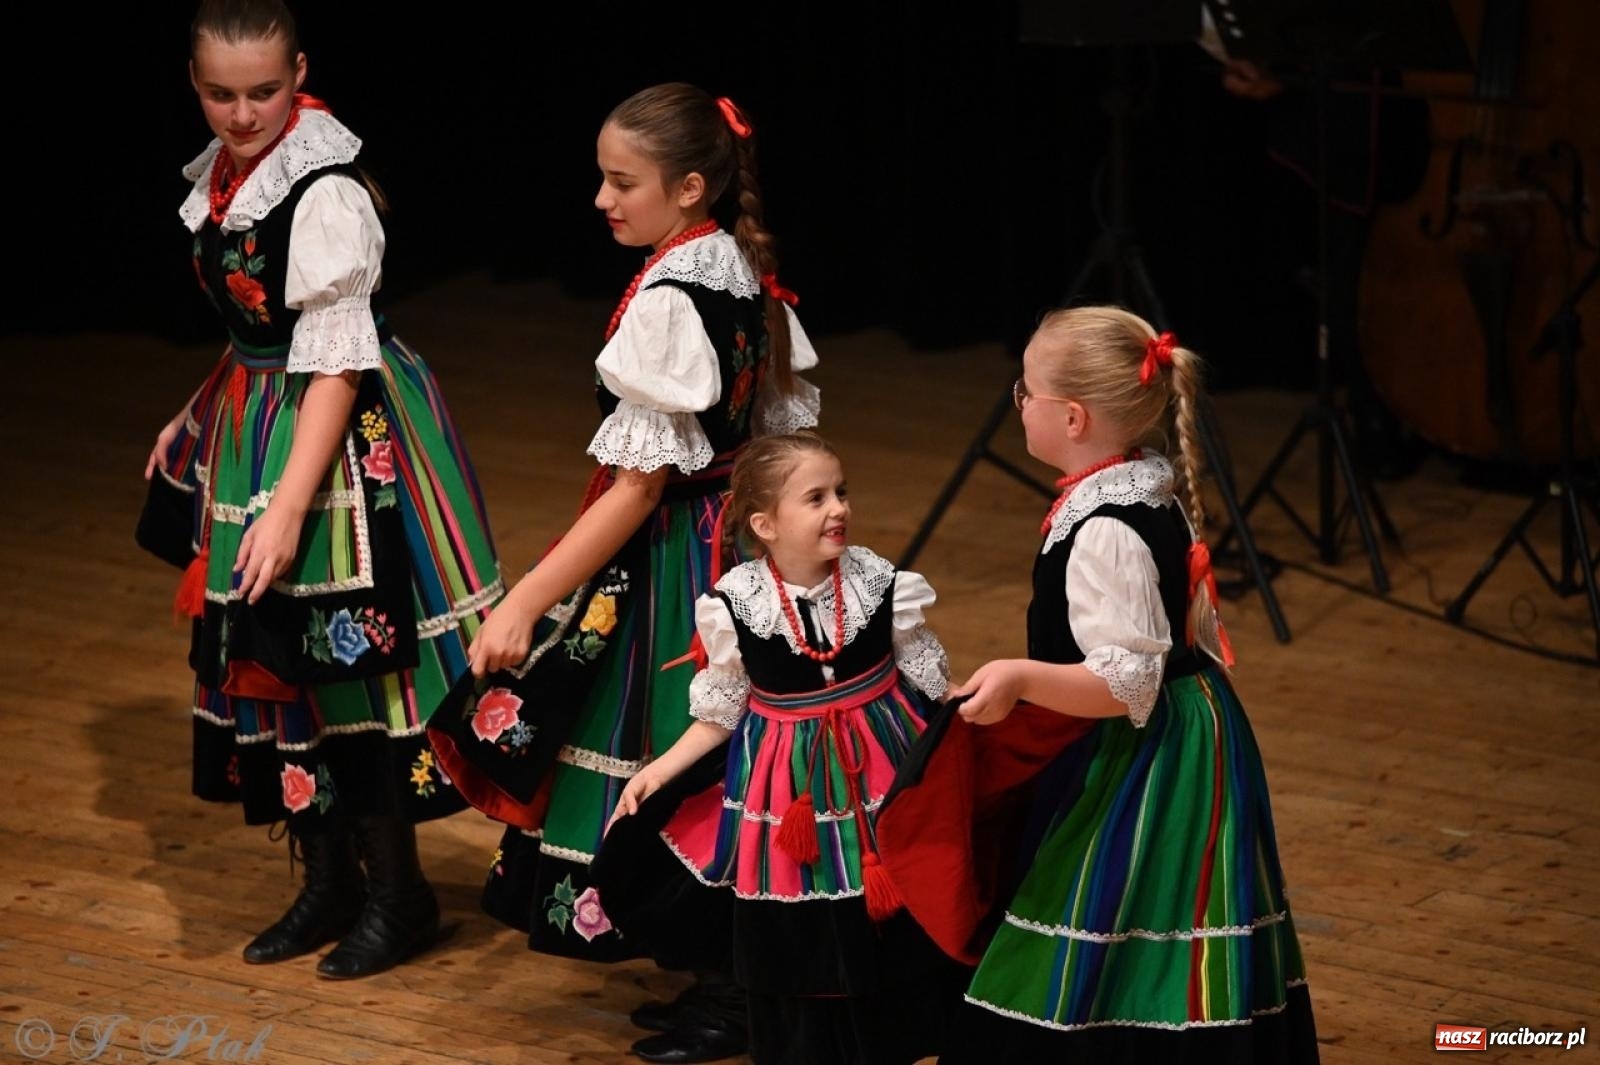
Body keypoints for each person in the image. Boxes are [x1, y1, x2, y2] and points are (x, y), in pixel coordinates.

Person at [425, 83, 818, 1061]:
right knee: (703, 741)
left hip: (686, 549)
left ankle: (736, 985)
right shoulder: (729, 263)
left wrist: (523, 599)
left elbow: (638, 492)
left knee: (692, 743)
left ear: (688, 188)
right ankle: (713, 965)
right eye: (601, 177)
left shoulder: (677, 296)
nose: (601, 199)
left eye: (621, 182)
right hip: (730, 534)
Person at [136, 0, 502, 979]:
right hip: (259, 415)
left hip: (335, 433)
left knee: (353, 659)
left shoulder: (327, 189)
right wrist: (196, 410)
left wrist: (294, 502)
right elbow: (254, 323)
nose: (243, 113)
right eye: (221, 93)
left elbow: (334, 359)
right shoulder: (223, 176)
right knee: (276, 665)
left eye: (264, 91)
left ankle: (398, 895)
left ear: (299, 72)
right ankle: (327, 878)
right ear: (194, 82)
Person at [881, 307, 1319, 1062]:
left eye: (1025, 391)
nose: (1017, 402)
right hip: (1186, 731)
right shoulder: (1134, 487)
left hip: (1148, 759)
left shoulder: (1107, 526)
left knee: (1112, 908)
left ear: (1073, 416)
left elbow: (1125, 681)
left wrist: (1019, 676)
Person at [597, 431, 961, 1065]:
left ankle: (895, 1035)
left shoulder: (880, 584)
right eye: (815, 498)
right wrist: (658, 770)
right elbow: (720, 711)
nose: (838, 508)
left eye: (841, 492)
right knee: (806, 915)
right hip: (787, 786)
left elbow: (930, 683)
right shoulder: (737, 605)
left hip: (880, 768)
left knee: (885, 903)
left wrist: (976, 723)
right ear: (765, 524)